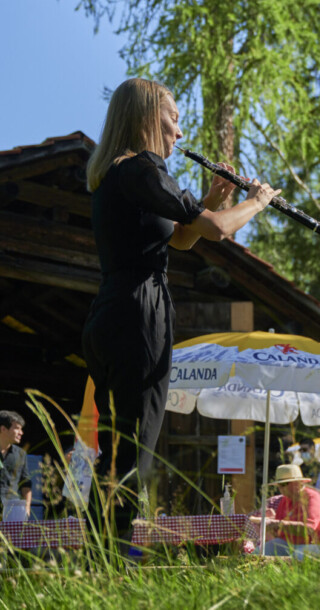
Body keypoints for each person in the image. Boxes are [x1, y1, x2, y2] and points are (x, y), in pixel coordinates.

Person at [81, 78, 279, 534]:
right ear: (150, 118)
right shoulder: (142, 169)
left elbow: (182, 236)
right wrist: (256, 202)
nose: (179, 132)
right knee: (134, 447)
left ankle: (98, 554)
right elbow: (216, 231)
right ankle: (109, 559)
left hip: (111, 313)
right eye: (173, 119)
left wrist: (210, 200)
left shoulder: (118, 172)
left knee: (118, 447)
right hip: (137, 316)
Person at [256, 464, 320, 559]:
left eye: (284, 484)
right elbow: (280, 532)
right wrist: (269, 526)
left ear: (298, 483)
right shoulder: (284, 500)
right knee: (257, 553)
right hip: (291, 545)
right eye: (279, 485)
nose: (280, 489)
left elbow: (308, 529)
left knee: (296, 557)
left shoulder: (313, 498)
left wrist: (275, 523)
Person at [0, 411, 31, 521]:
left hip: (13, 510)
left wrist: (26, 508)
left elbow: (26, 484)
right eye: (17, 428)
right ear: (3, 429)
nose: (21, 433)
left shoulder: (21, 454)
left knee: (12, 539)